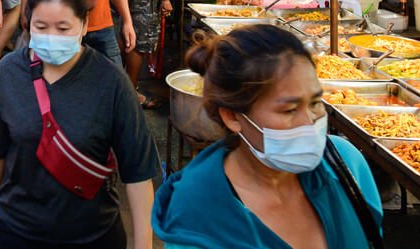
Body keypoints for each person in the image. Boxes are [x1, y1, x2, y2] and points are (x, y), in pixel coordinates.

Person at [153, 25, 383, 249]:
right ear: (233, 117)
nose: (309, 121)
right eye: (289, 110)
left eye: (314, 103)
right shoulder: (197, 215)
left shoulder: (344, 163)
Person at [0, 0, 158, 249]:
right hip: (17, 230)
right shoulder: (9, 72)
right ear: (28, 23)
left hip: (93, 235)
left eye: (63, 29)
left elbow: (137, 171)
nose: (51, 37)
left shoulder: (111, 81)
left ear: (85, 24)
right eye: (41, 26)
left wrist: (143, 244)